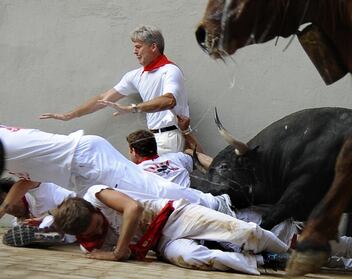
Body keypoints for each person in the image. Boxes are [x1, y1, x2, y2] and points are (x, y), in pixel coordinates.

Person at [0, 124, 234, 221]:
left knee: (148, 190)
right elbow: (27, 181)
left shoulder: (6, 143)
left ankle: (215, 203)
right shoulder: (11, 149)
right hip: (78, 175)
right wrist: (4, 209)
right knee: (113, 216)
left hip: (86, 158)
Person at [53, 185, 290, 275]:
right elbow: (98, 254)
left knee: (243, 232)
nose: (97, 233)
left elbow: (133, 208)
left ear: (94, 210)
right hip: (160, 244)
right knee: (193, 257)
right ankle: (265, 262)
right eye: (90, 234)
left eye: (97, 224)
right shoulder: (89, 245)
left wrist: (118, 252)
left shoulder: (96, 195)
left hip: (172, 216)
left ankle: (291, 255)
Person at [39, 25, 189, 154]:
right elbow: (104, 99)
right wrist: (69, 115)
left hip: (169, 136)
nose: (134, 52)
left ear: (153, 47)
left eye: (138, 47)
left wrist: (132, 108)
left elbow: (169, 100)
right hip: (153, 138)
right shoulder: (136, 75)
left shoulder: (170, 70)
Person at [0, 178, 76, 245]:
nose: (8, 209)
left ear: (14, 194)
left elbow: (75, 204)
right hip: (74, 243)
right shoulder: (18, 224)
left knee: (49, 219)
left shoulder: (40, 190)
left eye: (4, 202)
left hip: (80, 220)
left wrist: (48, 215)